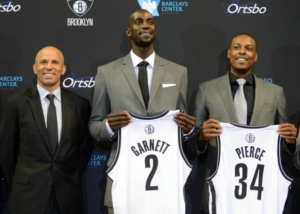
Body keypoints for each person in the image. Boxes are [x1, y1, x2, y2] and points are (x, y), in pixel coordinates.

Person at [89, 9, 196, 214]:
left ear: (155, 29)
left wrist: (189, 130)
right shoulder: (107, 72)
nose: (145, 25)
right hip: (124, 176)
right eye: (139, 22)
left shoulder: (178, 72)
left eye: (150, 22)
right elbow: (94, 126)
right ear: (129, 32)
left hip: (167, 180)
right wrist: (109, 127)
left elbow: (183, 126)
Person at [188, 33, 298, 213]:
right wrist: (201, 136)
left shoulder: (275, 93)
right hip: (219, 180)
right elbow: (192, 142)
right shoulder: (206, 89)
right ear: (229, 53)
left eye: (248, 49)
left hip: (261, 186)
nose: (242, 52)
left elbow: (283, 145)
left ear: (255, 56)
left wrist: (290, 142)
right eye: (237, 47)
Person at [0, 46, 92, 214]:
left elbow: (83, 150)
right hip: (26, 198)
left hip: (67, 198)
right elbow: (5, 153)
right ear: (35, 68)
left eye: (55, 62)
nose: (49, 67)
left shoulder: (80, 105)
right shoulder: (15, 103)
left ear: (63, 69)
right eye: (43, 62)